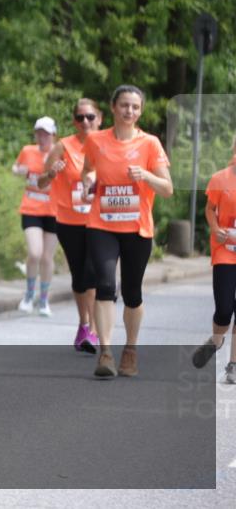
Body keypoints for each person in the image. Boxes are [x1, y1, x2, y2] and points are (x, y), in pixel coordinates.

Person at [80, 84, 173, 379]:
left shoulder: (150, 144)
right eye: (124, 105)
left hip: (136, 227)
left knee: (132, 293)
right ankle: (106, 352)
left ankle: (130, 349)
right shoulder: (96, 140)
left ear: (140, 111)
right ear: (113, 107)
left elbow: (167, 189)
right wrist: (88, 181)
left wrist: (145, 175)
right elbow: (87, 170)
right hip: (102, 224)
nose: (129, 111)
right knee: (105, 285)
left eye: (134, 107)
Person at [37, 100, 103, 353]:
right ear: (74, 121)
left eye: (89, 117)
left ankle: (94, 331)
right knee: (79, 275)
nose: (85, 122)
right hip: (69, 220)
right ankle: (83, 324)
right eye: (79, 118)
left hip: (100, 221)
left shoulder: (108, 144)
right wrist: (52, 174)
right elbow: (41, 182)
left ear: (99, 118)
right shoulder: (63, 146)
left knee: (92, 273)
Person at [192, 133, 236, 384]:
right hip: (225, 252)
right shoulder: (221, 178)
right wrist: (214, 227)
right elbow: (209, 208)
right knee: (224, 309)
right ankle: (216, 341)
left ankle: (233, 365)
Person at [13, 117, 59, 317]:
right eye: (39, 133)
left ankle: (44, 299)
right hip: (31, 208)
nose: (42, 137)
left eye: (46, 133)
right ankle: (29, 295)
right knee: (34, 253)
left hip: (54, 210)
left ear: (53, 135)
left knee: (47, 257)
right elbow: (16, 168)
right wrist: (19, 170)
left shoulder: (60, 152)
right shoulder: (27, 150)